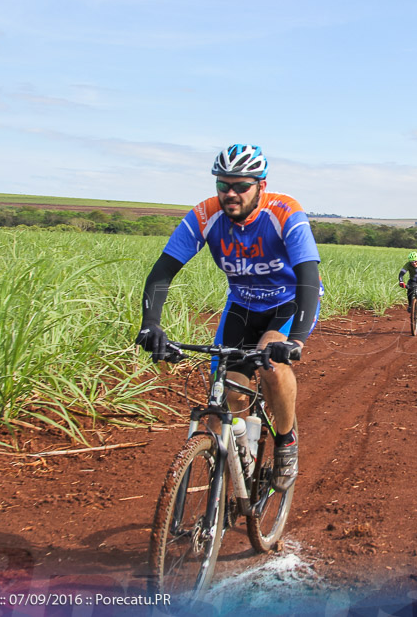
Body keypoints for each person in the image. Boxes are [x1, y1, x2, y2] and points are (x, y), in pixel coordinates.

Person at [134, 144, 321, 492]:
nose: (230, 194)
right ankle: (241, 460)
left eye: (241, 186)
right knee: (231, 389)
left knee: (272, 365)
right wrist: (151, 324)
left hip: (287, 303)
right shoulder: (205, 215)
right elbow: (162, 272)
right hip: (242, 304)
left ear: (260, 186)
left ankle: (286, 441)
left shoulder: (284, 212)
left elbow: (308, 276)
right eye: (223, 185)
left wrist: (295, 340)